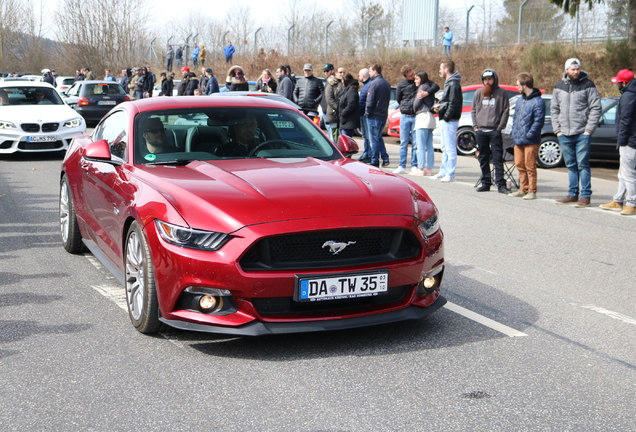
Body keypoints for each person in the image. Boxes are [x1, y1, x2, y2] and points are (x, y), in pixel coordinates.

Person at [551, 58, 602, 207]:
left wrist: (588, 131)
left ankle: (585, 196)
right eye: (573, 69)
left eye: (578, 68)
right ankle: (572, 193)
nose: (576, 71)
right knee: (571, 165)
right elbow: (554, 109)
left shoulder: (588, 85)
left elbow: (596, 108)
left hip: (581, 133)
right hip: (564, 133)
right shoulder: (558, 86)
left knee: (583, 165)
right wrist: (558, 130)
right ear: (566, 70)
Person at [599, 69, 636, 216]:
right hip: (631, 139)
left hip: (630, 140)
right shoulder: (631, 93)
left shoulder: (628, 96)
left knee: (628, 173)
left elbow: (625, 120)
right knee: (623, 173)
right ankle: (618, 200)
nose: (617, 85)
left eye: (619, 83)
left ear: (624, 83)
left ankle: (632, 203)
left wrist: (622, 140)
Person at [472, 68, 510, 193]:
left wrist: (500, 127)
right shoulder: (478, 92)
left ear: (494, 79)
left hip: (495, 130)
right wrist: (476, 127)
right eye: (485, 79)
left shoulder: (501, 93)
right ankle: (486, 182)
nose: (487, 82)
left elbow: (505, 110)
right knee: (483, 157)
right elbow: (473, 110)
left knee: (498, 158)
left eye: (490, 79)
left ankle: (500, 184)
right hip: (481, 130)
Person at [509, 72, 545, 200]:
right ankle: (522, 189)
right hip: (518, 139)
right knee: (519, 164)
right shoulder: (519, 100)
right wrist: (514, 132)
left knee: (530, 166)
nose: (516, 86)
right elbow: (515, 118)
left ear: (524, 85)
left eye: (518, 84)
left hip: (531, 140)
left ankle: (532, 191)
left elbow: (538, 121)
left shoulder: (538, 101)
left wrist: (529, 134)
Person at [431, 59, 462, 182]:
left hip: (450, 120)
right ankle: (443, 171)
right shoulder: (449, 82)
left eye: (441, 68)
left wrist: (446, 116)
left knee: (449, 147)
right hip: (445, 118)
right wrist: (440, 107)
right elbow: (448, 101)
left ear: (446, 69)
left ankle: (450, 173)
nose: (439, 71)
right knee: (444, 147)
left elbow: (453, 103)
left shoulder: (453, 83)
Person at [412, 71, 440, 176]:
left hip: (422, 118)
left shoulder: (422, 88)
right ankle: (429, 169)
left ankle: (420, 168)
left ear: (422, 79)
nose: (415, 81)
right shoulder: (429, 87)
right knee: (429, 145)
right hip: (431, 118)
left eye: (417, 79)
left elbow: (416, 104)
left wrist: (414, 109)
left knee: (420, 145)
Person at [365, 63, 391, 168]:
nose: (369, 73)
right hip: (383, 114)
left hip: (374, 115)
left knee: (374, 139)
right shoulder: (386, 83)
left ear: (375, 71)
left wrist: (367, 112)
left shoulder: (374, 83)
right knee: (378, 137)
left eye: (370, 71)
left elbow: (370, 100)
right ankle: (385, 158)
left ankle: (375, 160)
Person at [394, 65, 418, 174]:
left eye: (413, 73)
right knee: (403, 142)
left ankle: (414, 165)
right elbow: (398, 99)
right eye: (410, 75)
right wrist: (404, 107)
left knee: (416, 143)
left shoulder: (418, 82)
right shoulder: (401, 84)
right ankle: (402, 165)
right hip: (405, 115)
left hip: (416, 115)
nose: (413, 76)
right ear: (405, 76)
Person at [325, 67, 345, 142]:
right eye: (340, 72)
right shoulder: (331, 84)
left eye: (343, 72)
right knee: (334, 139)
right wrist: (338, 108)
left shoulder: (345, 84)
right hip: (333, 115)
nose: (342, 74)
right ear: (336, 73)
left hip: (342, 117)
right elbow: (329, 99)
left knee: (341, 139)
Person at [338, 73, 360, 138]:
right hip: (344, 121)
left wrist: (343, 113)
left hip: (348, 121)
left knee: (346, 141)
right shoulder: (346, 91)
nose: (342, 82)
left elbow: (351, 105)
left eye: (342, 80)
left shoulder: (352, 91)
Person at [358, 68, 372, 163]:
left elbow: (367, 101)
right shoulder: (365, 85)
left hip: (366, 114)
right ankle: (366, 153)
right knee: (365, 135)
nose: (358, 77)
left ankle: (369, 154)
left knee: (368, 136)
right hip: (362, 114)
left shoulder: (369, 85)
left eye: (359, 75)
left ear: (363, 75)